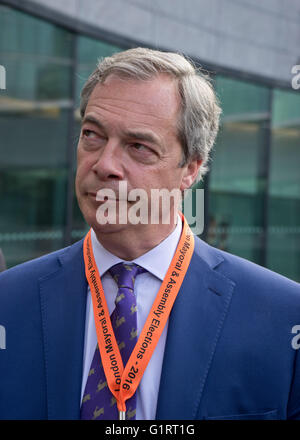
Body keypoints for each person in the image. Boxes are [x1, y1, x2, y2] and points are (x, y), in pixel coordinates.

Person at [0, 47, 300, 421]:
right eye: (92, 135)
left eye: (138, 146)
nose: (105, 165)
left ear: (190, 169)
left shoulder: (284, 319)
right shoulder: (8, 304)